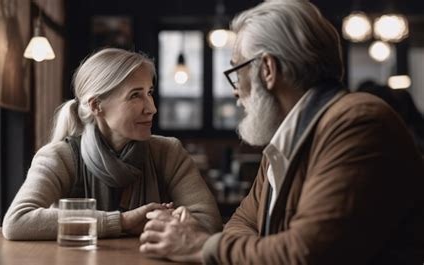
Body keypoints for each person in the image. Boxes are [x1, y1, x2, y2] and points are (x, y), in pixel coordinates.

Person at [140, 1, 424, 264]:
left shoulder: (357, 123)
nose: (236, 91)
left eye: (238, 72)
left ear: (267, 69)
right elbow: (242, 223)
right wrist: (262, 249)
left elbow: (305, 252)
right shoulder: (284, 137)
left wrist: (200, 246)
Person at [2, 48, 222, 240]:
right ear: (97, 105)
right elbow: (17, 221)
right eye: (135, 96)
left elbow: (208, 223)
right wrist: (123, 222)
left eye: (149, 93)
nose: (151, 108)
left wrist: (159, 221)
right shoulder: (60, 157)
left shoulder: (168, 152)